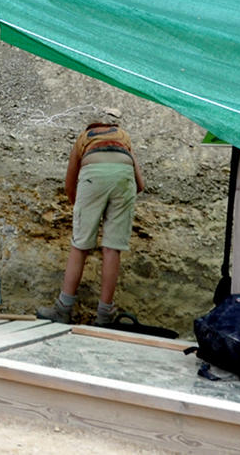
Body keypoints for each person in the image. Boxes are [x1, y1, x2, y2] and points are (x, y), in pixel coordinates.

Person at [52, 111, 153, 325]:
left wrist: (82, 210)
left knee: (80, 244)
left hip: (93, 174)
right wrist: (117, 203)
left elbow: (70, 185)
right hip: (124, 177)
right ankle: (105, 314)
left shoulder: (84, 138)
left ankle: (63, 309)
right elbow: (141, 185)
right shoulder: (123, 138)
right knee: (112, 248)